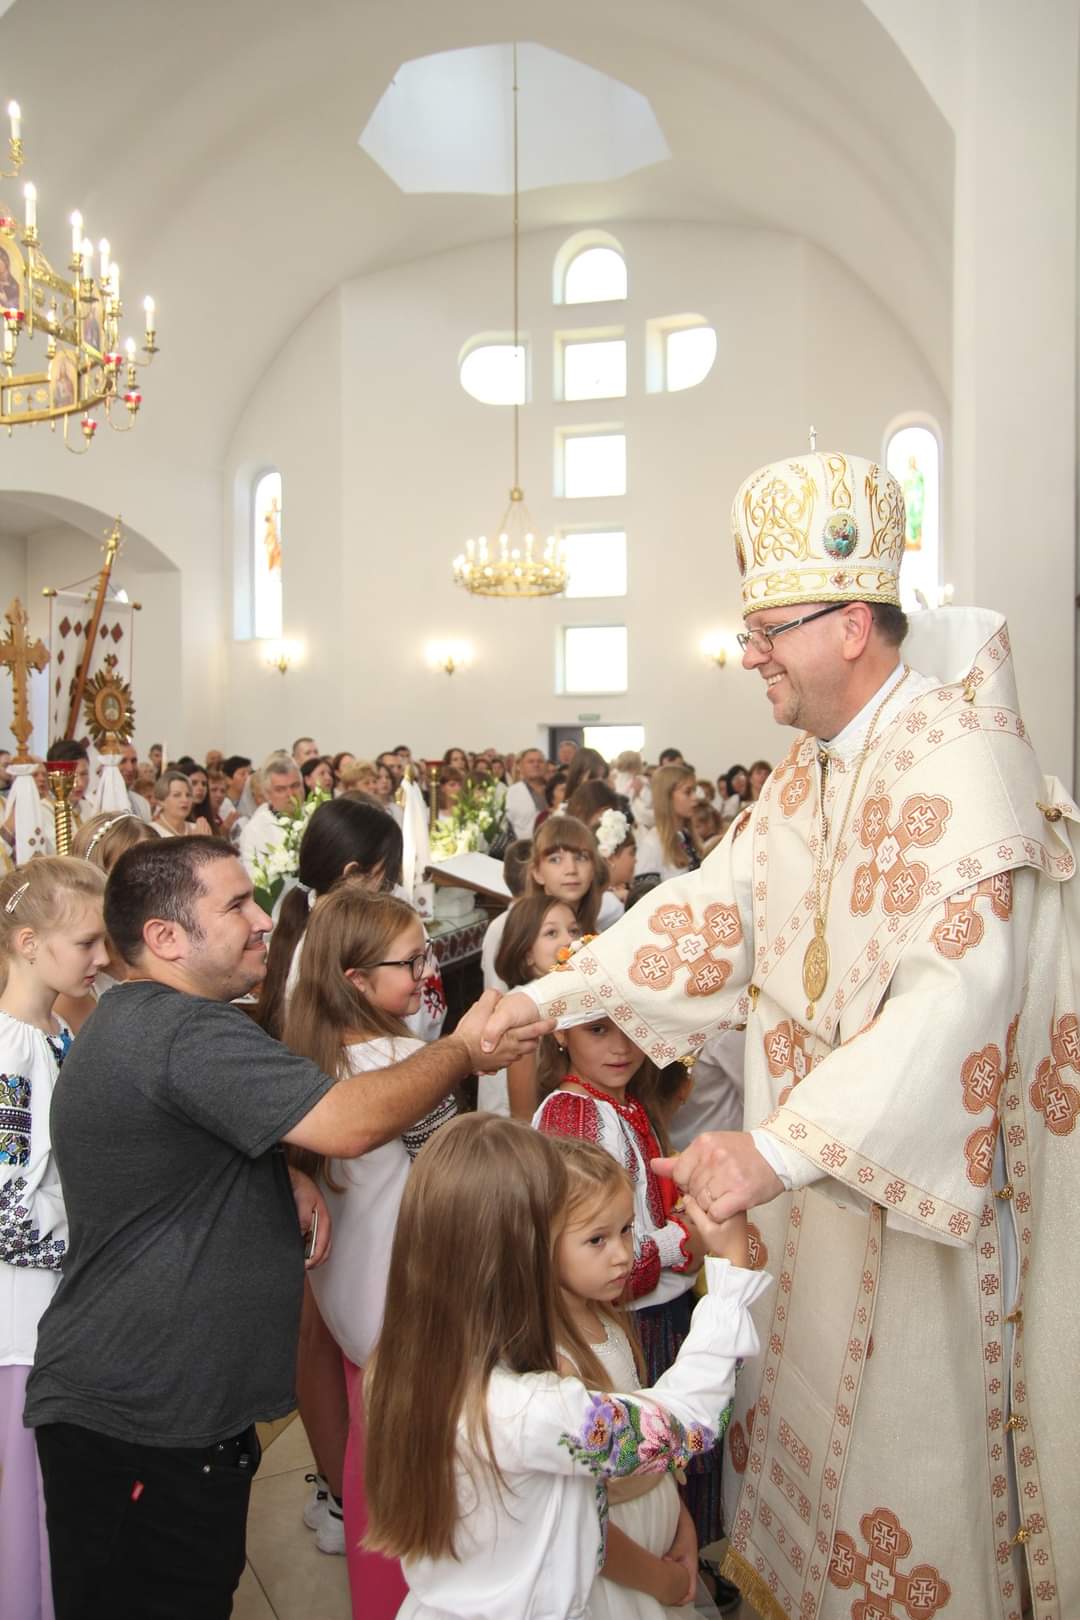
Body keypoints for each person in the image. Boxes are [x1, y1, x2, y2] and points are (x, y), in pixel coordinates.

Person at [479, 446, 1080, 1619]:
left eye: (768, 627)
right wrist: (551, 997)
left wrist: (775, 1149)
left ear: (852, 626)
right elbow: (712, 910)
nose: (747, 650)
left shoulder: (966, 764)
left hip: (923, 1196)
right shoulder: (811, 771)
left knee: (917, 1434)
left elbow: (955, 1005)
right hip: (815, 1178)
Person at [24, 837, 546, 1620]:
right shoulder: (184, 1032)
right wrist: (461, 1050)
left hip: (161, 1407)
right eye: (234, 905)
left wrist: (281, 1172)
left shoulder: (147, 1022)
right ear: (166, 938)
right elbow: (348, 1122)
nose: (264, 919)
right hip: (146, 1415)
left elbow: (172, 1152)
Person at [363, 1115, 768, 1620]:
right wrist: (731, 1272)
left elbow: (573, 1512)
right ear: (519, 1256)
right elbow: (685, 1424)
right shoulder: (525, 1410)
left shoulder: (403, 1365)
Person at [284, 889, 456, 1618]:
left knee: (366, 1456)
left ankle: (374, 1597)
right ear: (355, 978)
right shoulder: (401, 1061)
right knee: (422, 1474)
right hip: (410, 1299)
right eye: (410, 960)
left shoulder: (306, 1054)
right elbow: (452, 1181)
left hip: (349, 1300)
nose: (426, 971)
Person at [533, 1016, 725, 1556]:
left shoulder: (619, 1101)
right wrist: (679, 1238)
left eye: (630, 1028)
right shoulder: (573, 1113)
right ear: (561, 1033)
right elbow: (589, 1258)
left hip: (657, 1306)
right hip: (631, 1318)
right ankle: (655, 1556)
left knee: (678, 1444)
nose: (620, 1047)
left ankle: (674, 1547)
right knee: (649, 1448)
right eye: (597, 1030)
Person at [0, 859, 108, 1620]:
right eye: (87, 942)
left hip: (66, 1300)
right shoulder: (10, 1055)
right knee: (31, 1494)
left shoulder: (59, 1030)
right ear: (30, 942)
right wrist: (84, 1250)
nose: (100, 958)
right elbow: (7, 1200)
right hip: (28, 1314)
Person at [552, 1137, 700, 1620]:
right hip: (621, 1579)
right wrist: (663, 1580)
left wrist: (682, 1527)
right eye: (597, 1239)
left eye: (626, 1231)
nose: (622, 1255)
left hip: (659, 1533)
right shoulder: (558, 1365)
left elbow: (649, 1435)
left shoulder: (611, 1317)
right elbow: (585, 1528)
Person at [490, 893, 581, 1119]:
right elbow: (523, 1115)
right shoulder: (523, 1006)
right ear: (527, 954)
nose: (569, 941)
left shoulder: (567, 995)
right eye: (551, 933)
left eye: (574, 931)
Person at [633, 765, 701, 882]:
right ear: (667, 797)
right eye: (688, 792)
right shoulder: (652, 845)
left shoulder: (686, 837)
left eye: (694, 791)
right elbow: (644, 895)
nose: (695, 797)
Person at [238, 754, 301, 875]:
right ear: (267, 794)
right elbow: (255, 879)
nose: (290, 794)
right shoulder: (254, 830)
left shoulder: (314, 816)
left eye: (295, 786)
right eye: (280, 789)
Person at [150, 769, 213, 838]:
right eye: (177, 795)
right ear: (161, 801)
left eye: (188, 795)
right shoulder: (151, 831)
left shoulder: (198, 829)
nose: (185, 800)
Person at [505, 747, 548, 840]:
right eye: (531, 762)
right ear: (520, 767)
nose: (536, 765)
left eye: (540, 761)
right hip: (522, 846)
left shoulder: (555, 789)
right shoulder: (512, 792)